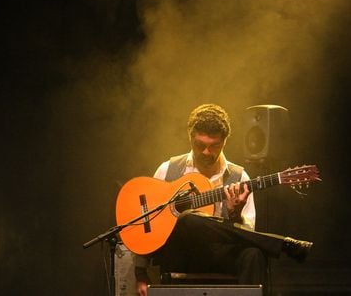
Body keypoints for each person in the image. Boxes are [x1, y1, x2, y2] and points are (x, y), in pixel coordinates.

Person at [134, 104, 313, 296]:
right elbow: (143, 220)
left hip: (219, 255)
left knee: (254, 253)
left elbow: (246, 235)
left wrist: (235, 213)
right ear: (190, 136)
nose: (206, 152)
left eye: (214, 146)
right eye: (200, 145)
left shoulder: (240, 177)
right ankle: (280, 244)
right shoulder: (168, 169)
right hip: (180, 254)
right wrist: (140, 273)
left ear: (225, 142)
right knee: (188, 219)